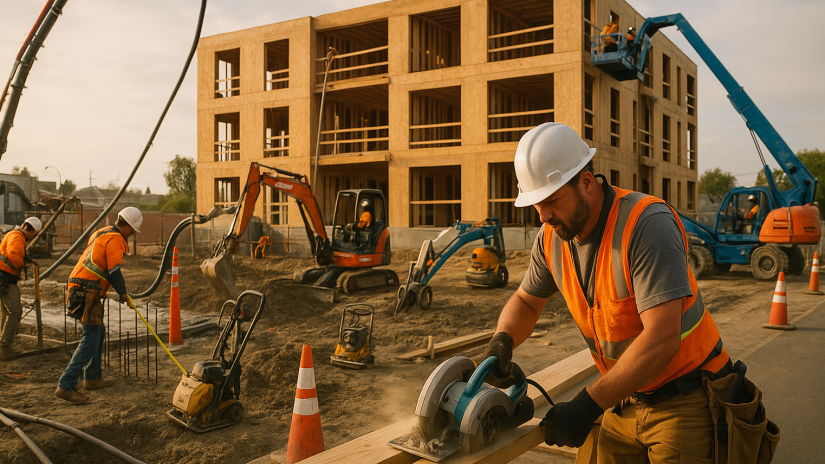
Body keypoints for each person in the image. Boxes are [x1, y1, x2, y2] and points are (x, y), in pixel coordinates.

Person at [482, 123, 732, 462]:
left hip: (687, 397)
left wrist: (586, 406)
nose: (543, 216)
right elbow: (526, 300)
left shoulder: (646, 224)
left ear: (586, 183)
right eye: (535, 204)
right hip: (625, 394)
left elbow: (661, 338)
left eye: (551, 200)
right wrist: (503, 340)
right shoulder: (552, 237)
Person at [55, 207, 142, 404]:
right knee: (91, 337)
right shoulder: (116, 239)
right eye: (133, 231)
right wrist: (123, 294)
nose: (132, 235)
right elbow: (114, 271)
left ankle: (92, 378)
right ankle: (66, 385)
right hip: (86, 291)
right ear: (127, 225)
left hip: (81, 288)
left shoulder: (101, 232)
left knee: (98, 332)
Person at [0, 217, 42, 360]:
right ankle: (4, 347)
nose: (33, 238)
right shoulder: (17, 237)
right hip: (5, 280)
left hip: (3, 278)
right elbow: (13, 255)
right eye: (34, 235)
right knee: (15, 312)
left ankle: (3, 344)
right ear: (31, 231)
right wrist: (22, 263)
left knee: (6, 312)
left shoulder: (12, 234)